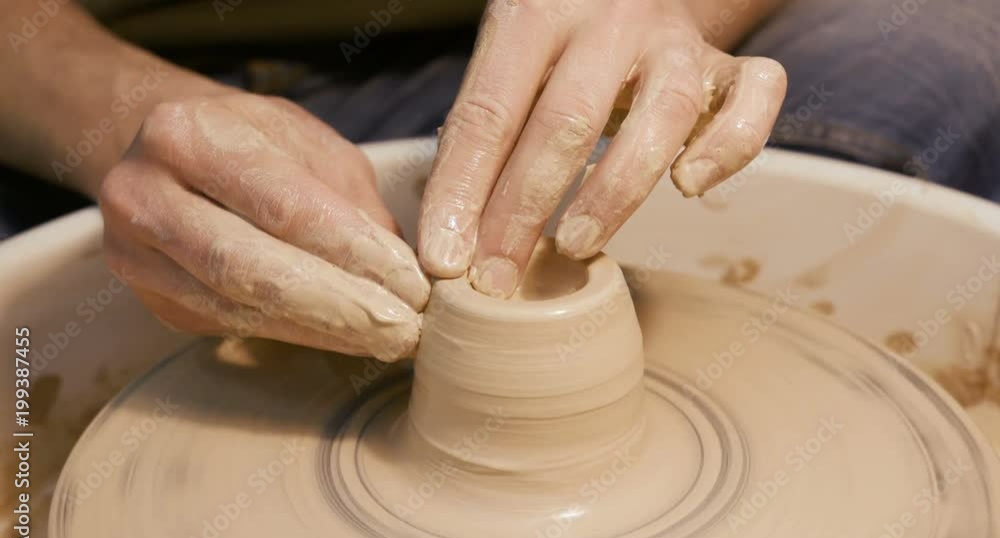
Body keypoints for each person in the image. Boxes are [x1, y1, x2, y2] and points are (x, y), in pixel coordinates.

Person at [1, 0, 995, 361]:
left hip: (541, 54)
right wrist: (117, 117)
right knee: (35, 374)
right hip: (118, 77)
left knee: (946, 46)